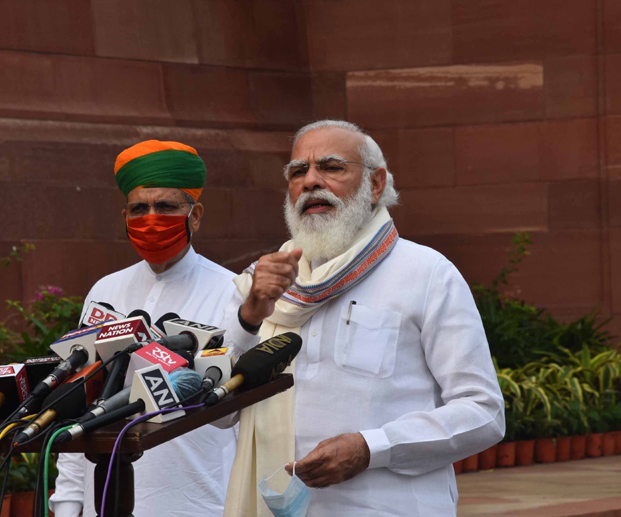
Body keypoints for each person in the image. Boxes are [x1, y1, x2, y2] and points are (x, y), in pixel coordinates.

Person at [219, 120, 505, 516]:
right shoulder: (264, 285)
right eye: (298, 171)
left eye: (332, 167)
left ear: (375, 184)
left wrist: (372, 448)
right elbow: (217, 413)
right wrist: (250, 315)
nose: (311, 182)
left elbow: (483, 411)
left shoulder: (425, 273)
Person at [50, 140, 239, 517]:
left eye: (167, 206)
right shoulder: (104, 291)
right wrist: (69, 504)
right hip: (102, 499)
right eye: (139, 208)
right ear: (124, 215)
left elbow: (234, 413)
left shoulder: (233, 294)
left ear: (195, 214)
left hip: (197, 503)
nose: (151, 218)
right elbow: (78, 399)